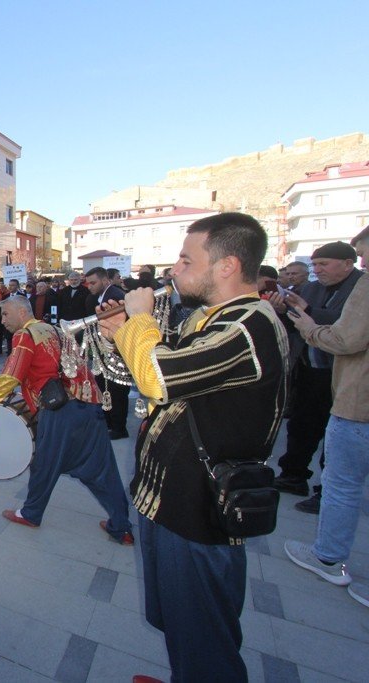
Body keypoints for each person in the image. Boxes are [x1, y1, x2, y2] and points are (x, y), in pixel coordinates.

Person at [99, 212, 287, 681]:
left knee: (206, 636)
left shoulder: (248, 328)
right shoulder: (210, 318)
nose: (173, 270)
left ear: (226, 266)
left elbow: (157, 378)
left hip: (198, 509)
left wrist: (138, 321)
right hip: (170, 499)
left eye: (186, 259)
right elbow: (144, 376)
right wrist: (119, 333)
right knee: (181, 621)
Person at [0, 295, 133, 542]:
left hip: (60, 410)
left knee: (44, 464)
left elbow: (12, 374)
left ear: (23, 313)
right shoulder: (55, 329)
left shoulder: (25, 334)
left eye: (6, 314)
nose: (2, 320)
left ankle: (31, 513)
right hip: (89, 404)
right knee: (103, 469)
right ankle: (122, 526)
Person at [282, 261, 369, 608]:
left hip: (357, 400)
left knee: (342, 484)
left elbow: (347, 338)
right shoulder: (318, 289)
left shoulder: (362, 285)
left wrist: (309, 327)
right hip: (335, 388)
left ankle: (328, 558)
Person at [272, 243, 362, 505]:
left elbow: (346, 325)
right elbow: (297, 323)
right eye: (315, 264)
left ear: (348, 263)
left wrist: (309, 312)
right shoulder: (311, 288)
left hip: (342, 373)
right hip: (309, 367)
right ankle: (293, 475)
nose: (317, 270)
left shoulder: (359, 289)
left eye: (324, 263)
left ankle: (327, 490)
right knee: (302, 424)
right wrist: (283, 312)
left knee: (334, 433)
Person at [84, 266, 130, 439]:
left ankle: (119, 427)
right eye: (88, 283)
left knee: (117, 391)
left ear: (105, 280)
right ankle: (109, 423)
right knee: (105, 388)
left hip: (116, 352)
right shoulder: (99, 297)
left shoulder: (115, 297)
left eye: (93, 283)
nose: (90, 286)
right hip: (105, 350)